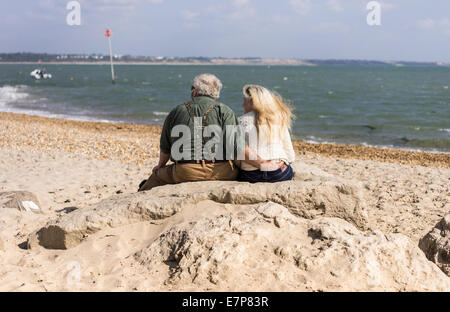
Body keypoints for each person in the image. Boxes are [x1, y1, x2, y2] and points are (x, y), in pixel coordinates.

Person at [138, 73, 239, 191]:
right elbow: (234, 147)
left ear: (194, 91)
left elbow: (165, 148)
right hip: (221, 172)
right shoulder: (225, 111)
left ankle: (140, 193)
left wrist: (160, 166)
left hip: (185, 172)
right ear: (216, 93)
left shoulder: (177, 111)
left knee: (155, 178)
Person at [236, 84, 295, 183]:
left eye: (244, 101)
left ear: (251, 102)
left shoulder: (240, 121)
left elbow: (237, 156)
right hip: (279, 173)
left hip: (251, 175)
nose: (242, 105)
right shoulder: (278, 119)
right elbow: (290, 155)